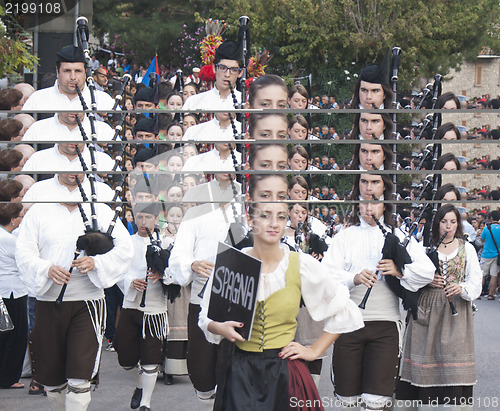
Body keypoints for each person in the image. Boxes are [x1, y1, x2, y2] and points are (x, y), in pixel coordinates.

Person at [198, 173, 364, 410]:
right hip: (240, 373)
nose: (274, 223)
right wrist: (220, 327)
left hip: (285, 374)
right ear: (250, 218)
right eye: (265, 216)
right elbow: (205, 317)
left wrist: (314, 350)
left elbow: (345, 310)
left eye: (281, 216)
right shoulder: (232, 262)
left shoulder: (300, 264)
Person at [321, 175, 435, 410]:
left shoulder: (400, 235)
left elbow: (427, 271)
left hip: (385, 326)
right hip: (348, 325)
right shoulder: (344, 237)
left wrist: (399, 270)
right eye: (364, 201)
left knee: (377, 402)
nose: (369, 207)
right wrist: (353, 278)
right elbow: (325, 276)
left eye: (375, 201)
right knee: (348, 400)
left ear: (385, 204)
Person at [15, 192, 133, 410]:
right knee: (52, 376)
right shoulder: (40, 210)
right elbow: (23, 251)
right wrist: (46, 268)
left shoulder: (103, 211)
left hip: (88, 302)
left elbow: (125, 250)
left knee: (81, 373)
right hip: (48, 300)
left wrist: (96, 262)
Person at [397, 204, 482, 406]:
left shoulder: (466, 248)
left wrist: (461, 287)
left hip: (456, 310)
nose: (448, 226)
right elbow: (407, 275)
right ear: (437, 224)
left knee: (453, 361)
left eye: (453, 222)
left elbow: (476, 280)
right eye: (444, 222)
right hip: (427, 307)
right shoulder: (424, 246)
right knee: (424, 359)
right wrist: (426, 279)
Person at [114, 203, 171, 411]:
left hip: (155, 308)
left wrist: (162, 274)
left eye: (148, 217)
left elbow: (177, 274)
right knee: (126, 359)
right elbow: (116, 271)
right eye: (140, 217)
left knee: (150, 357)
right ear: (134, 219)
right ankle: (140, 385)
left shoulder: (165, 243)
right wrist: (131, 281)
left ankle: (146, 402)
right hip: (131, 305)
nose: (143, 222)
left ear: (156, 219)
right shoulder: (126, 243)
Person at [23, 45, 114, 113]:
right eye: (67, 71)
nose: (73, 77)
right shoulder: (37, 100)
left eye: (78, 71)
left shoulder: (103, 100)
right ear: (57, 72)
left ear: (86, 72)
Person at [0, 201, 27, 389]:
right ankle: (9, 377)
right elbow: (24, 261)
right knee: (15, 336)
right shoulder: (10, 240)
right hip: (12, 291)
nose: (21, 219)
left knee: (4, 333)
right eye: (20, 216)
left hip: (6, 289)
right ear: (12, 219)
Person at [183, 40, 243, 110]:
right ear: (214, 68)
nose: (227, 74)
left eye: (233, 70)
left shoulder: (246, 103)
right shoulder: (194, 102)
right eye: (222, 68)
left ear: (240, 72)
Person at [479, 210, 500, 300]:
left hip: (486, 254)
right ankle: (491, 294)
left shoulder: (487, 228)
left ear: (491, 218)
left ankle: (478, 293)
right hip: (497, 255)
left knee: (482, 274)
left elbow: (482, 239)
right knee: (493, 275)